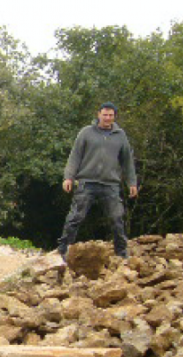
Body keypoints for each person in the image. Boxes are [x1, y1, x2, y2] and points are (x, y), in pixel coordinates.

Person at [57, 102, 139, 260]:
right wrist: (68, 177)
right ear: (98, 114)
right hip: (87, 182)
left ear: (114, 116)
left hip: (111, 184)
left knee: (117, 217)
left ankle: (121, 253)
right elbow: (75, 156)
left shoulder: (120, 135)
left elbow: (127, 161)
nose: (107, 118)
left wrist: (132, 182)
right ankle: (63, 249)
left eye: (111, 115)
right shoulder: (86, 133)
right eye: (105, 114)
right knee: (76, 217)